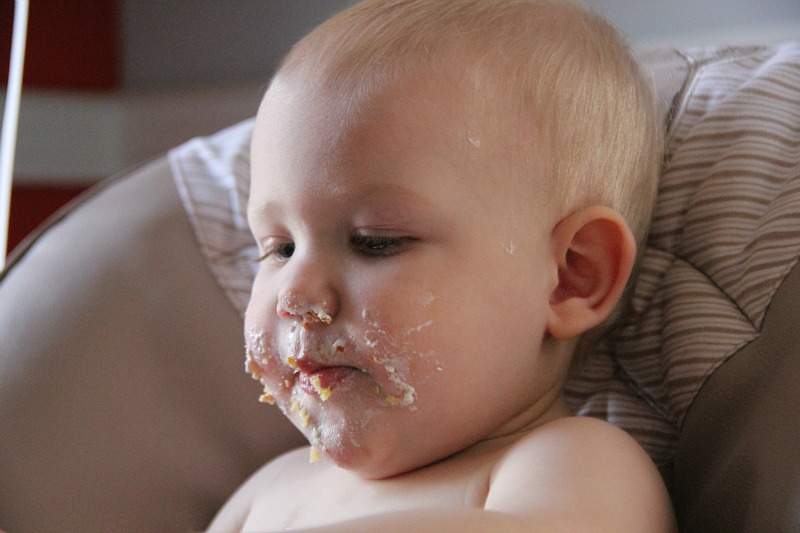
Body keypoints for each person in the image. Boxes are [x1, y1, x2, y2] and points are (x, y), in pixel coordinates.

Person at [210, 0, 676, 531]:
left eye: (375, 242)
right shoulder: (271, 489)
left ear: (571, 277)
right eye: (279, 248)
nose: (294, 295)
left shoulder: (571, 461)